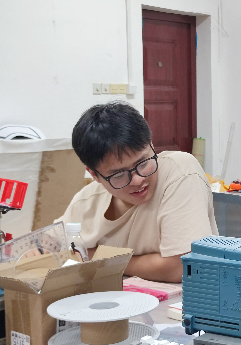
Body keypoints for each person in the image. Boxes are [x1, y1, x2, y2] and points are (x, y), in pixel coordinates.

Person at [60, 101, 218, 282]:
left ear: (151, 145)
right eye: (119, 174)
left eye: (142, 163)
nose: (138, 180)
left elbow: (183, 267)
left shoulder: (180, 172)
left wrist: (99, 257)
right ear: (94, 174)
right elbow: (52, 247)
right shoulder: (86, 200)